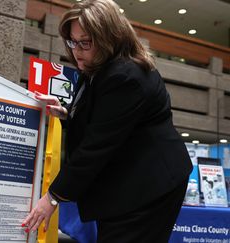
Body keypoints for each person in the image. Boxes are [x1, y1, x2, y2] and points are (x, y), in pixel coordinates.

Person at [21, 0, 193, 242]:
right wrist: (66, 113)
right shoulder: (98, 67)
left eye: (85, 43)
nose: (76, 51)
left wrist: (52, 197)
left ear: (109, 37)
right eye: (72, 41)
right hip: (127, 182)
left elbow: (97, 146)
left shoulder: (125, 76)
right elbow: (99, 120)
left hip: (149, 185)